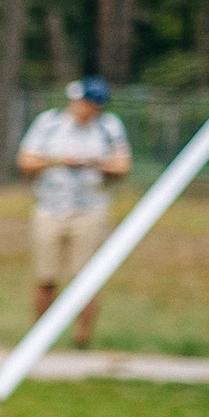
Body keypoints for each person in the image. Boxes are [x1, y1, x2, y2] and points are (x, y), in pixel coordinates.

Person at [16, 77, 130, 350]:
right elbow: (26, 161)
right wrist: (58, 161)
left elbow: (122, 165)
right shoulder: (49, 123)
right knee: (46, 276)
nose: (86, 109)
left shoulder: (109, 127)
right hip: (50, 208)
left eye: (91, 104)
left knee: (87, 278)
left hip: (90, 210)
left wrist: (93, 163)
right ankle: (39, 338)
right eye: (83, 103)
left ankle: (82, 338)